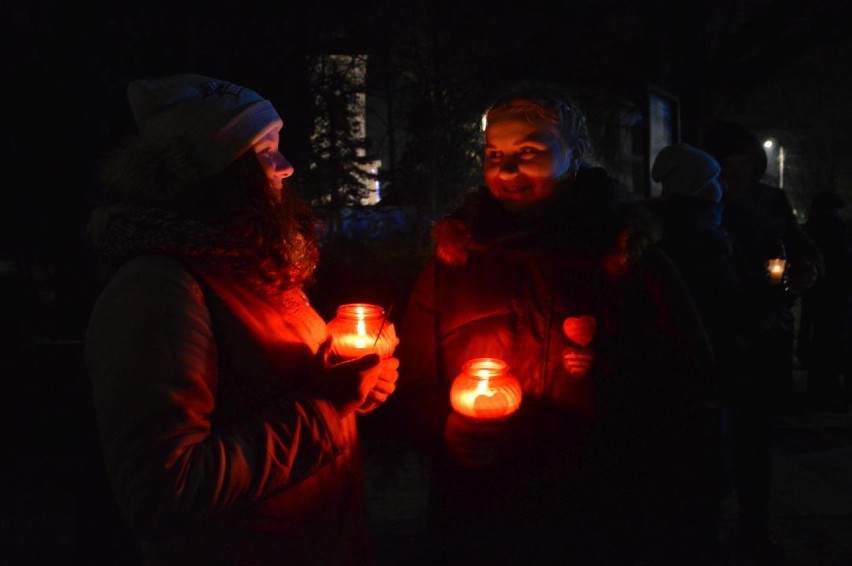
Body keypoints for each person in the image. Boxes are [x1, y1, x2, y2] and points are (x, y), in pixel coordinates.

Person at [387, 81, 718, 565]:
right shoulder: (455, 263)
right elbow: (412, 378)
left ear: (575, 153)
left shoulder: (628, 260)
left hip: (599, 511)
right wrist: (444, 428)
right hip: (482, 510)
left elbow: (687, 383)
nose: (506, 168)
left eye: (529, 151)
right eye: (493, 153)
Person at [85, 73, 399, 565]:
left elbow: (272, 388)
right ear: (218, 171)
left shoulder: (247, 267)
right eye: (265, 149)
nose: (286, 166)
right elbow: (164, 494)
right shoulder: (159, 288)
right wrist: (326, 407)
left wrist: (351, 378)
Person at [705, 121, 824, 563]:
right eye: (724, 164)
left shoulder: (771, 201)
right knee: (710, 441)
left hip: (762, 337)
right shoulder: (700, 201)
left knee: (756, 442)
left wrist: (809, 268)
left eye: (743, 164)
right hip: (715, 337)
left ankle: (754, 530)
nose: (733, 173)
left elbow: (803, 248)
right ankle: (706, 523)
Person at [646, 143, 753, 554]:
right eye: (714, 181)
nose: (721, 188)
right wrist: (771, 296)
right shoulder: (702, 241)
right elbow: (728, 309)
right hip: (702, 372)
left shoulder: (670, 230)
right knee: (698, 478)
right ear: (701, 188)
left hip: (680, 377)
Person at [801, 190, 852, 411]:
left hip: (816, 291)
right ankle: (830, 392)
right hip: (839, 293)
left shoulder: (809, 230)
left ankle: (819, 390)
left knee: (819, 337)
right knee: (835, 340)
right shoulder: (840, 231)